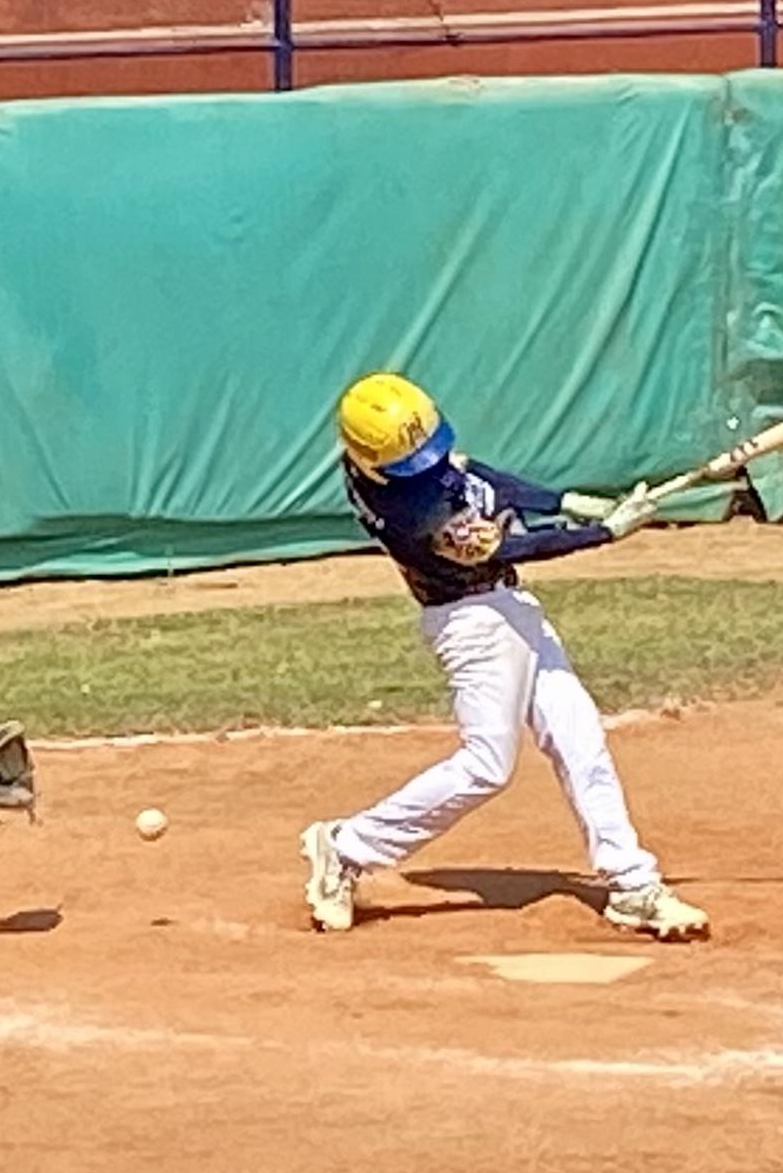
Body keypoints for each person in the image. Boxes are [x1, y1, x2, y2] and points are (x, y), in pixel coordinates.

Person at [298, 372, 711, 941]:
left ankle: (631, 883)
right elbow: (513, 546)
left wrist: (564, 500)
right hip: (471, 624)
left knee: (578, 737)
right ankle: (346, 848)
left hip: (509, 606)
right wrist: (604, 533)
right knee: (488, 765)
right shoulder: (408, 511)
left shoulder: (396, 456)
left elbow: (476, 476)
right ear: (374, 462)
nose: (430, 462)